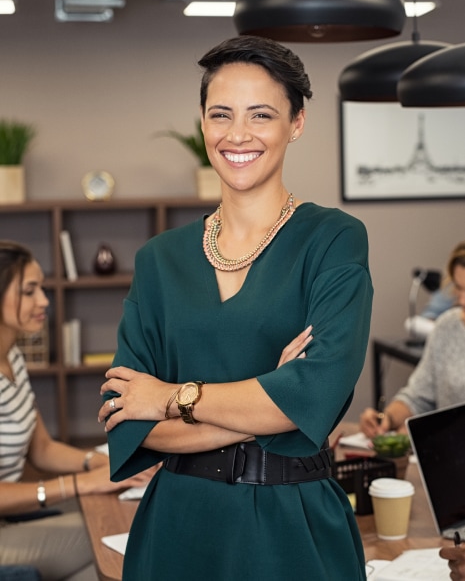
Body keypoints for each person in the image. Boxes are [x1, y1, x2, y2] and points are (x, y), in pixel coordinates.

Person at [98, 35, 373, 581]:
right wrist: (271, 393)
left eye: (261, 114)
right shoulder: (159, 260)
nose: (238, 134)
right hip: (177, 528)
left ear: (296, 122)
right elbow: (129, 420)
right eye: (221, 114)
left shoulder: (333, 239)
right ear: (202, 124)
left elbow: (315, 396)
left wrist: (171, 398)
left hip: (292, 527)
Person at [0, 240, 157, 581]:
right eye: (29, 291)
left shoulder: (11, 355)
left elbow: (41, 449)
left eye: (41, 287)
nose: (44, 300)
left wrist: (105, 466)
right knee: (103, 544)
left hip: (11, 518)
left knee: (120, 521)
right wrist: (81, 483)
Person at [360, 241, 465, 439]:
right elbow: (418, 396)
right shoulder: (446, 327)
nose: (461, 300)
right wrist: (386, 419)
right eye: (459, 288)